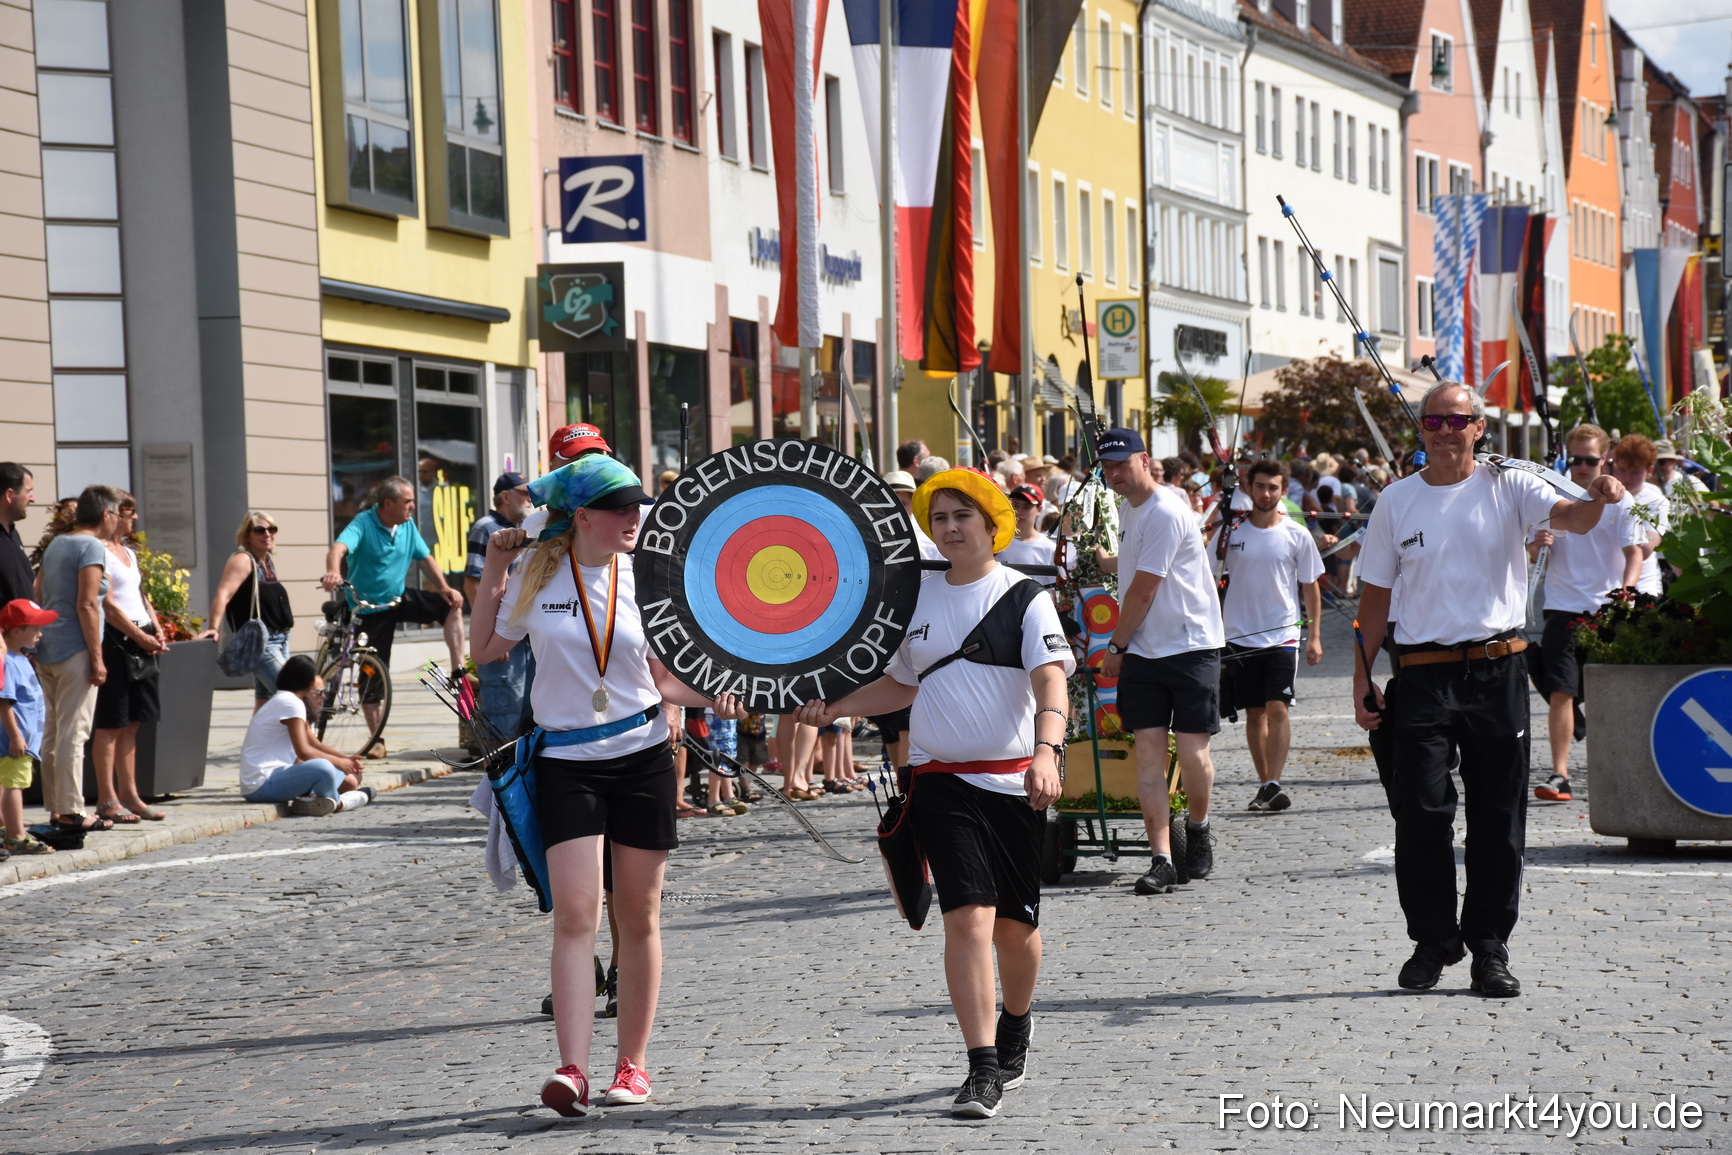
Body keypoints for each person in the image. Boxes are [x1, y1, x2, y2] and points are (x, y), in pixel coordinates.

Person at [469, 454, 744, 1118]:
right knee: (574, 913)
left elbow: (663, 678)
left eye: (636, 507)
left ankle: (632, 1064)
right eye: (620, 508)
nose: (634, 517)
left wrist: (717, 696)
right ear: (583, 516)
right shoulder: (538, 573)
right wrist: (497, 565)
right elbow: (484, 648)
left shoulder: (646, 577)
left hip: (643, 757)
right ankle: (571, 1069)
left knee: (638, 915)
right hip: (565, 762)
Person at [793, 468, 1071, 1119]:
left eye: (961, 515)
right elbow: (902, 685)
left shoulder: (1024, 596)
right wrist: (835, 707)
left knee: (1016, 929)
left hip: (1014, 783)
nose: (948, 527)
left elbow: (1052, 681)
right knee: (966, 916)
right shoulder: (919, 598)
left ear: (991, 520)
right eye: (938, 516)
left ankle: (1017, 1021)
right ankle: (980, 1067)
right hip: (940, 779)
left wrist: (1046, 752)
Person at [1354, 382, 1625, 999]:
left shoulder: (1511, 485)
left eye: (1458, 420)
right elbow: (1374, 598)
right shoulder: (1396, 502)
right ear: (1420, 429)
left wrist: (1600, 497)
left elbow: (1573, 519)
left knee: (1498, 818)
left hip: (1497, 670)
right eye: (1434, 420)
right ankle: (1434, 938)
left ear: (1478, 427)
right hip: (1420, 673)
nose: (1445, 430)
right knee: (1419, 811)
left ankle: (1488, 946)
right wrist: (1361, 674)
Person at [1093, 429, 1225, 894]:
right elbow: (1132, 567)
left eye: (1121, 465)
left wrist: (1116, 648)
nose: (1113, 475)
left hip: (1189, 645)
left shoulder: (1167, 509)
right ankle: (1161, 857)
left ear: (1144, 460)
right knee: (1147, 750)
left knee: (1191, 751)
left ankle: (1200, 826)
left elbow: (1144, 588)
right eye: (1106, 467)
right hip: (1146, 650)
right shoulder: (1129, 509)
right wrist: (1099, 560)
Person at [1526, 425, 1643, 805]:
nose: (1580, 466)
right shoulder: (1554, 497)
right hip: (1561, 606)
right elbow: (1533, 552)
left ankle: (1624, 768)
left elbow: (1635, 553)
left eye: (1589, 460)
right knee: (1561, 690)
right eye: (1574, 459)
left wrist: (1626, 591)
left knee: (1611, 692)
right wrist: (1535, 544)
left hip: (1605, 610)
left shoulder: (1620, 502)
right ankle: (1560, 773)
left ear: (1604, 459)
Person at [320, 477, 466, 755]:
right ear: (388, 504)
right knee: (373, 675)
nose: (412, 505)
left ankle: (457, 670)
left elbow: (424, 558)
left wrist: (445, 587)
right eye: (407, 501)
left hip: (398, 597)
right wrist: (333, 572)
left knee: (450, 605)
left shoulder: (407, 525)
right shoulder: (364, 523)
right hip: (369, 608)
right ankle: (376, 741)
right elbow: (338, 549)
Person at [1212, 460, 1324, 813]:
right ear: (1248, 488)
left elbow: (1311, 588)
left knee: (1278, 707)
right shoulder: (1232, 533)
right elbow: (1203, 572)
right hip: (1238, 638)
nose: (1266, 494)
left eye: (1273, 488)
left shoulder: (1296, 534)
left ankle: (1273, 780)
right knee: (1254, 714)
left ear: (1283, 491)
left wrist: (1315, 635)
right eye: (1260, 486)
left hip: (1283, 637)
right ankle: (1266, 785)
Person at [35, 486, 120, 834]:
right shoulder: (91, 546)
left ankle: (57, 808)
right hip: (75, 648)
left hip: (48, 647)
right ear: (106, 515)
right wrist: (97, 659)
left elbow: (38, 592)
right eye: (117, 514)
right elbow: (88, 604)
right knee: (75, 732)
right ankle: (71, 810)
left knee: (54, 732)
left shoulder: (57, 543)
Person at [91, 493, 167, 824]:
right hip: (117, 642)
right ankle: (106, 798)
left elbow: (139, 595)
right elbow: (106, 604)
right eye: (128, 513)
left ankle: (130, 794)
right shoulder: (98, 552)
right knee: (111, 722)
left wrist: (158, 627)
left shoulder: (129, 554)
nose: (133, 519)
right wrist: (140, 636)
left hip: (142, 638)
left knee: (133, 722)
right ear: (112, 514)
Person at [241, 655, 372, 815]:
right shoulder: (291, 702)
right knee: (324, 767)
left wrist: (347, 760)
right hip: (262, 784)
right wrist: (339, 762)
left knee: (352, 778)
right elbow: (303, 751)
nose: (323, 697)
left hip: (271, 780)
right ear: (307, 685)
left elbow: (315, 745)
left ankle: (316, 799)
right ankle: (335, 802)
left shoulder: (287, 701)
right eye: (319, 692)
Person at [199, 511, 296, 707]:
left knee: (265, 702)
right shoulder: (243, 560)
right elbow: (223, 594)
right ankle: (306, 739)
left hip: (281, 639)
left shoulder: (266, 561)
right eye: (260, 530)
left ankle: (257, 739)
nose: (267, 534)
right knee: (292, 695)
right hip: (262, 642)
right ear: (247, 535)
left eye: (272, 529)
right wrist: (214, 628)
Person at [466, 472, 535, 739]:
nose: (529, 498)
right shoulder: (486, 527)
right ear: (505, 496)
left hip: (524, 636)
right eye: (523, 493)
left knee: (527, 718)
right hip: (502, 639)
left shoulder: (525, 528)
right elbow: (472, 583)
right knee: (503, 720)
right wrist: (490, 634)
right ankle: (498, 780)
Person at [0, 599, 57, 856]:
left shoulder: (21, 659)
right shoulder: (10, 663)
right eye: (35, 628)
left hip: (24, 740)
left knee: (8, 782)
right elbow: (4, 703)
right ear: (16, 630)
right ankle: (16, 836)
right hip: (15, 742)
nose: (40, 634)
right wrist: (15, 735)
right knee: (15, 785)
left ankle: (6, 827)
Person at [1608, 435, 1668, 597]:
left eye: (1635, 472)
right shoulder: (1603, 495)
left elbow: (1648, 548)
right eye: (1622, 469)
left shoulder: (1656, 501)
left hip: (1643, 588)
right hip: (1606, 585)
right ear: (1614, 464)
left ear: (1650, 471)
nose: (1627, 478)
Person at [998, 485, 1057, 586]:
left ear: (1039, 509)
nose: (1019, 512)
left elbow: (1054, 588)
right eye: (1015, 505)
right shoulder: (997, 542)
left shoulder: (1049, 548)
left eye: (1026, 507)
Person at [0, 464, 35, 606]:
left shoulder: (13, 533)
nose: (33, 499)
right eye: (28, 491)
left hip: (26, 627)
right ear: (9, 495)